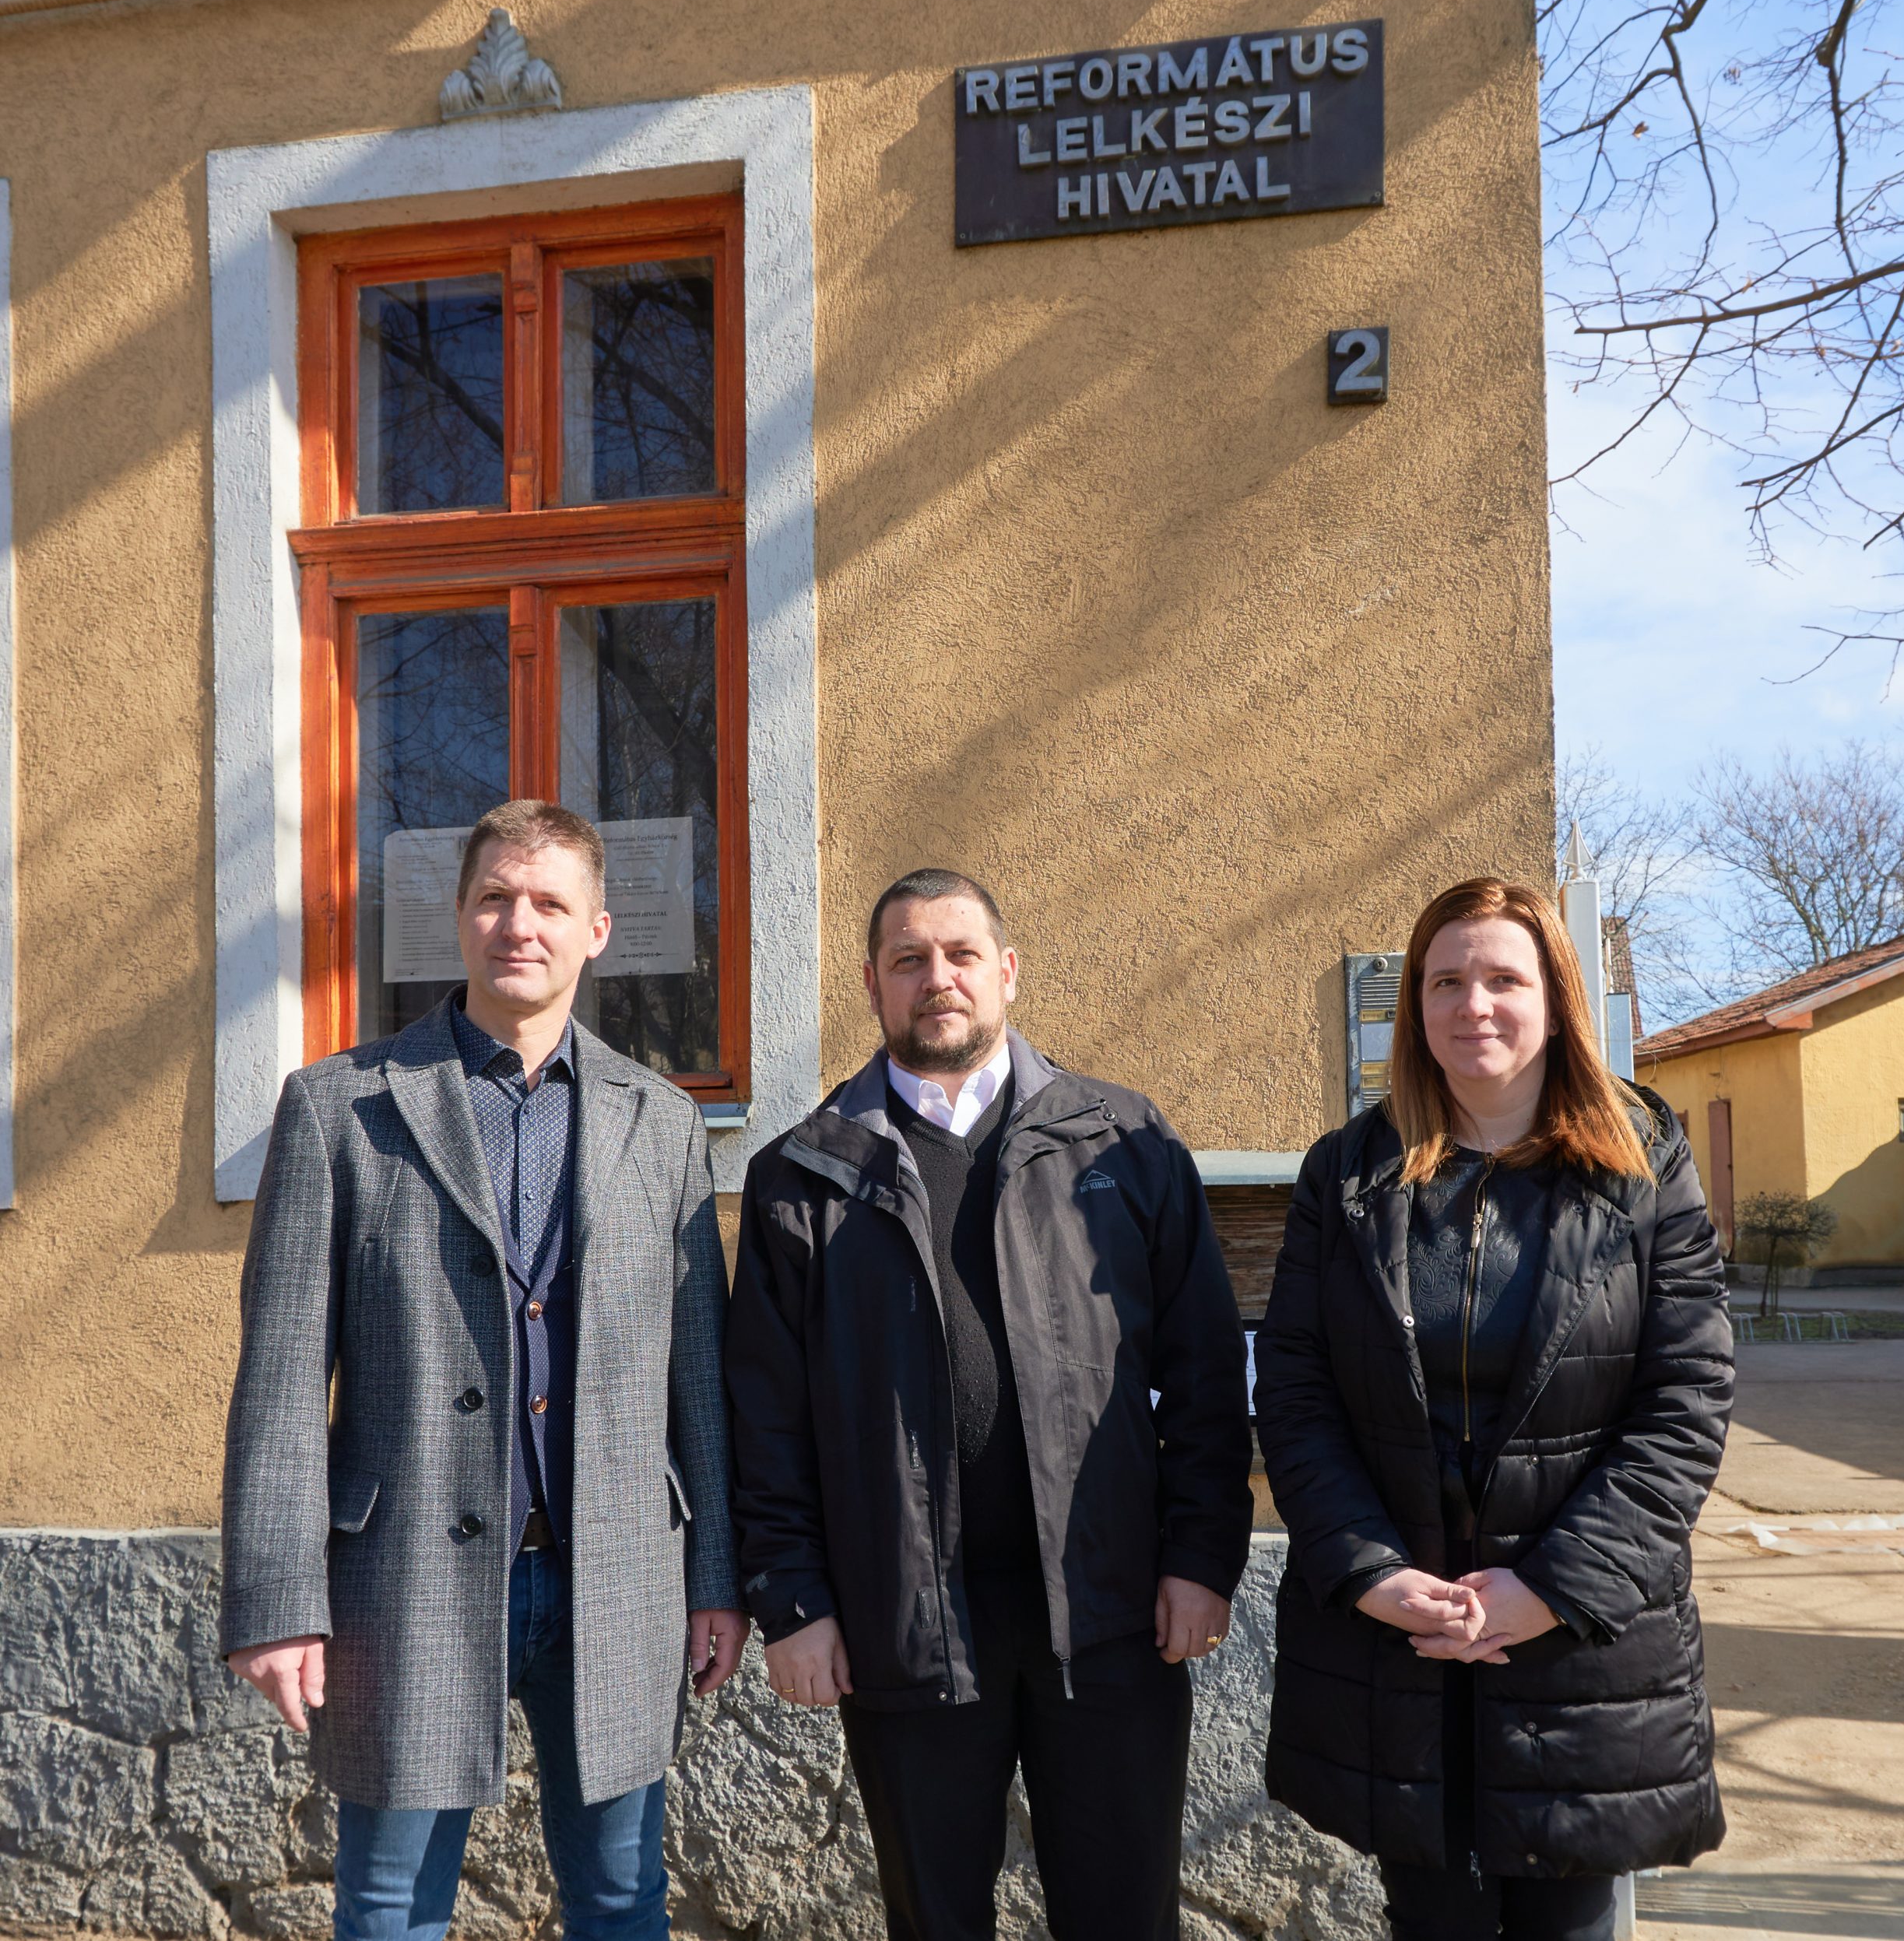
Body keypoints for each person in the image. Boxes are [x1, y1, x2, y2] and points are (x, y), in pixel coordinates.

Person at [220, 799, 745, 1941]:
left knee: (622, 1902)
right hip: (401, 1578)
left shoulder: (661, 1121)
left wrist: (717, 1575)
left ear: (596, 930)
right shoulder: (340, 1107)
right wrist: (276, 1600)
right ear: (458, 916)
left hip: (616, 1577)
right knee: (390, 1910)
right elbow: (279, 1382)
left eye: (550, 902)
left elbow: (697, 1377)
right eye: (496, 898)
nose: (521, 924)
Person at [725, 867, 1253, 1941]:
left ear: (1007, 970)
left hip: (1111, 1619)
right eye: (909, 959)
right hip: (905, 1626)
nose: (939, 978)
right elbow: (766, 1420)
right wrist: (794, 1599)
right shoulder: (805, 1175)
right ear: (873, 983)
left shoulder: (1123, 1143)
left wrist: (1202, 1556)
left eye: (962, 954)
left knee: (1125, 1922)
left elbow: (1206, 1369)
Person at [1254, 878, 1734, 1941]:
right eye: (1446, 981)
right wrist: (1372, 1574)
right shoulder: (1349, 1173)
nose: (1474, 1004)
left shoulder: (1644, 1163)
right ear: (1415, 1007)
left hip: (1579, 1652)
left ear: (1557, 1002)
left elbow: (1686, 1400)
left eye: (1504, 979)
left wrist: (1552, 1589)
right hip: (1403, 1649)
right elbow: (1294, 1389)